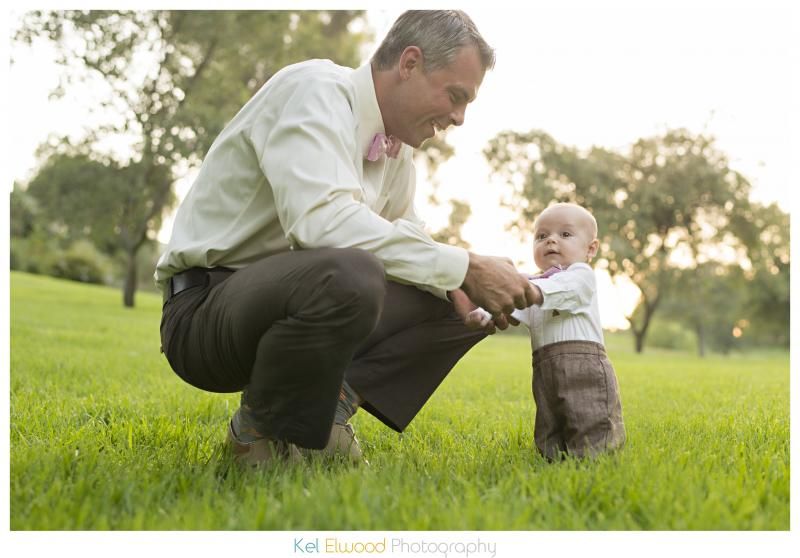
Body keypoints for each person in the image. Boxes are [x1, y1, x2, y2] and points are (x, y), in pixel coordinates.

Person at [155, 10, 536, 466]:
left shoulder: (397, 149)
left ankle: (332, 410)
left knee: (454, 295)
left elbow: (409, 237)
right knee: (361, 270)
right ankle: (257, 431)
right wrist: (466, 266)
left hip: (293, 302)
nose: (458, 118)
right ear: (409, 63)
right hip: (206, 315)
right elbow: (321, 223)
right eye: (455, 96)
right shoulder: (314, 91)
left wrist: (466, 281)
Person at [468, 203, 626, 459]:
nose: (551, 240)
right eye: (542, 236)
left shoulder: (581, 274)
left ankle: (596, 459)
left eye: (565, 234)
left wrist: (532, 289)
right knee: (550, 416)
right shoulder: (535, 283)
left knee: (589, 412)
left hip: (584, 364)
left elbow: (566, 290)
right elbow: (512, 304)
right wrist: (487, 312)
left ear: (591, 249)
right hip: (544, 366)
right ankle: (553, 458)